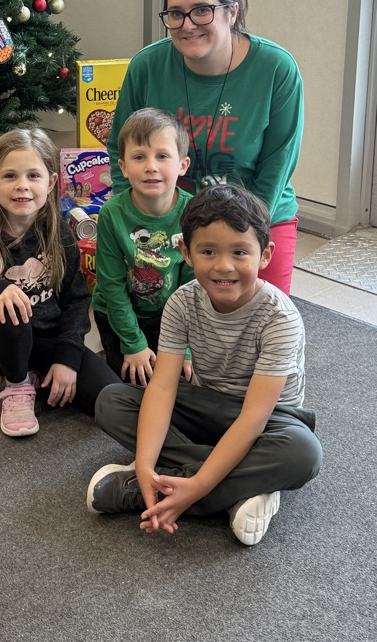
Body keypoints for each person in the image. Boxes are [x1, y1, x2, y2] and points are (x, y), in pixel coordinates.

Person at [86, 184, 322, 546]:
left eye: (239, 252)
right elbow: (162, 388)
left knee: (303, 453)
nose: (223, 266)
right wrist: (146, 466)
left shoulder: (280, 318)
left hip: (268, 420)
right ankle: (239, 486)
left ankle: (164, 489)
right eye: (208, 251)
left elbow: (254, 417)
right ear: (186, 252)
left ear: (265, 255)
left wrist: (196, 486)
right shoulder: (182, 302)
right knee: (111, 401)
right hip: (207, 404)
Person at [106, 0, 303, 294]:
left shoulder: (276, 68)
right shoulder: (147, 66)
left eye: (202, 11)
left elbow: (278, 162)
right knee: (163, 311)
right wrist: (132, 215)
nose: (187, 25)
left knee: (260, 315)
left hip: (257, 214)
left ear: (232, 12)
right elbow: (119, 147)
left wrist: (245, 234)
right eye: (176, 14)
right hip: (167, 214)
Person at [0, 127, 121, 437]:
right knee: (13, 306)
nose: (22, 186)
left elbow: (76, 299)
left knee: (112, 398)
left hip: (47, 338)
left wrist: (67, 359)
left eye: (33, 176)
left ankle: (31, 371)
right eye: (10, 176)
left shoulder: (59, 232)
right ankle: (16, 383)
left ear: (50, 182)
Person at [92, 108, 195, 386]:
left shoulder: (192, 212)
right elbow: (112, 285)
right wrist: (133, 343)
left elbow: (192, 288)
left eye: (162, 156)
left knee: (181, 383)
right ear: (123, 167)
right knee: (129, 385)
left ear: (182, 165)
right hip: (116, 312)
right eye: (139, 157)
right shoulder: (111, 214)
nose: (151, 166)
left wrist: (186, 348)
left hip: (168, 316)